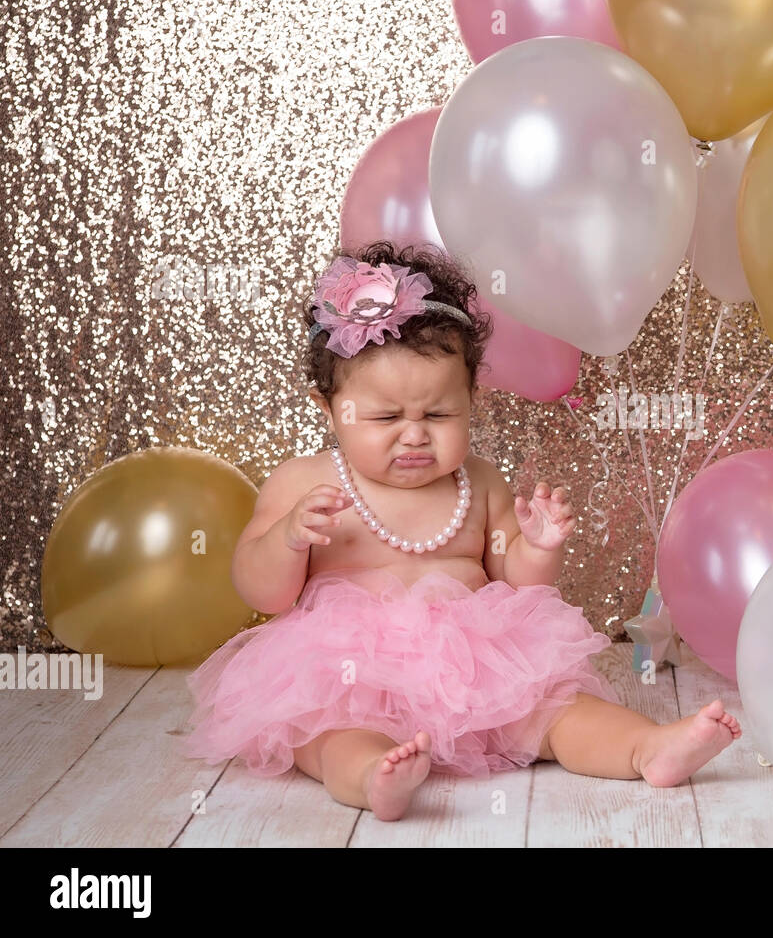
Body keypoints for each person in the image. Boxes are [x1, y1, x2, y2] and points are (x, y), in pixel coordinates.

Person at [182, 241, 741, 820]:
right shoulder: (302, 483)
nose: (415, 435)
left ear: (472, 400)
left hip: (475, 665)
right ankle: (372, 773)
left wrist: (538, 546)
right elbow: (262, 592)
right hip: (349, 670)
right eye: (385, 418)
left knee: (554, 710)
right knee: (324, 734)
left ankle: (645, 748)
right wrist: (288, 540)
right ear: (330, 410)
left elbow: (521, 587)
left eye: (439, 415)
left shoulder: (478, 482)